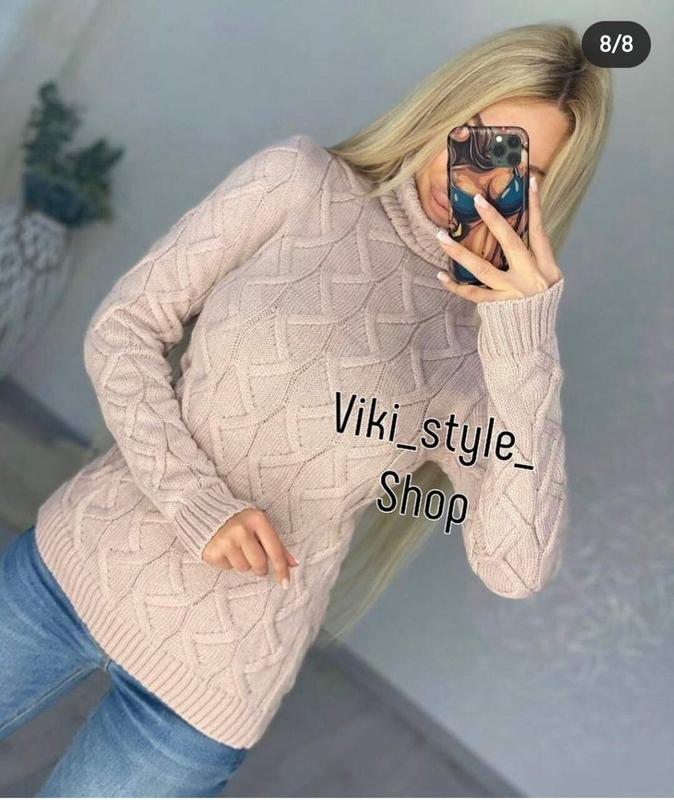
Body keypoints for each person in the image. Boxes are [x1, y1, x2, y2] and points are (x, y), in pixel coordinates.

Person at [0, 23, 612, 797]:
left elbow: (514, 567)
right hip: (73, 568)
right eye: (480, 136)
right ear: (447, 105)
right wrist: (197, 503)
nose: (479, 179)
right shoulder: (298, 182)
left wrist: (526, 342)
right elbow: (125, 329)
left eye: (518, 169)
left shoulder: (481, 355)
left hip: (214, 686)